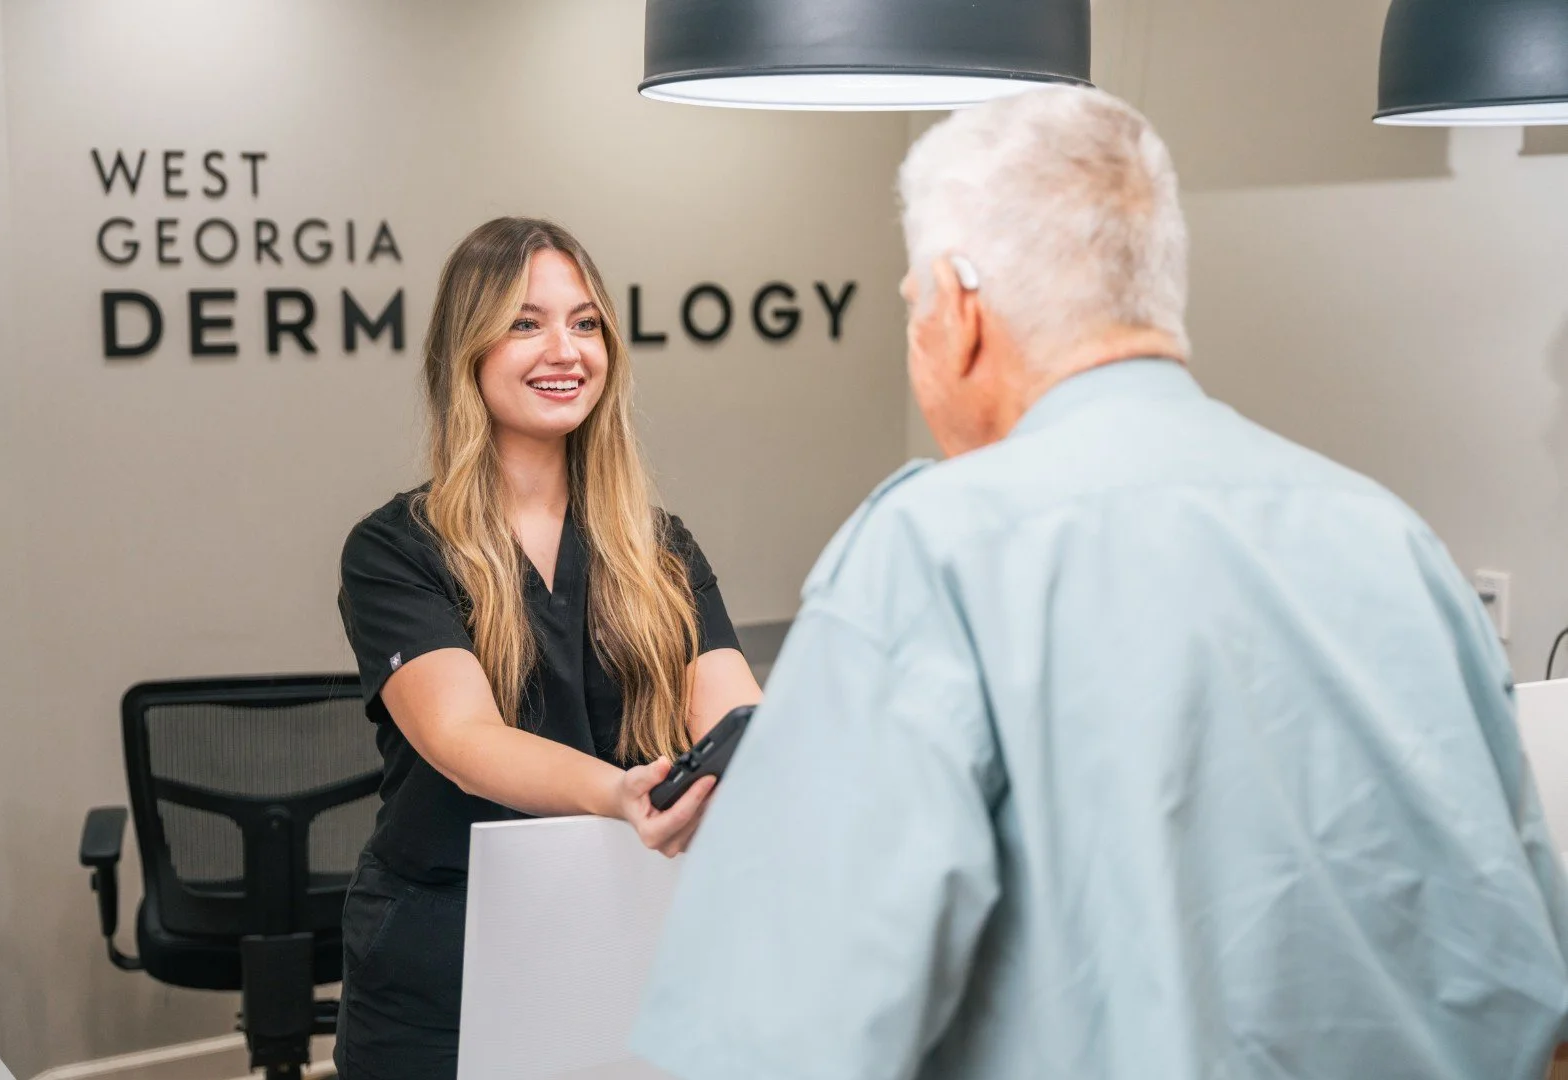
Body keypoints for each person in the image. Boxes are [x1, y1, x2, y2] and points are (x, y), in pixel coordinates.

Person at [632, 86, 1568, 1080]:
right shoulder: (1390, 540)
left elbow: (782, 1036)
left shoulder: (933, 552)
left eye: (914, 310)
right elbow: (1519, 969)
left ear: (960, 306)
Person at [334, 217, 763, 1080]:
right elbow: (465, 742)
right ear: (469, 349)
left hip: (627, 935)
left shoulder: (658, 545)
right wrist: (619, 792)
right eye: (526, 322)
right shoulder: (396, 550)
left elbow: (732, 711)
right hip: (441, 960)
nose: (564, 349)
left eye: (586, 322)